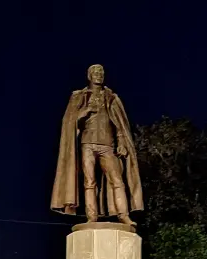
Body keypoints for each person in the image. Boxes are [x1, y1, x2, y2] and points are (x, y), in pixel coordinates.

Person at [50, 64, 143, 226]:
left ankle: (123, 215)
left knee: (117, 180)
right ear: (89, 76)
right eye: (95, 72)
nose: (99, 75)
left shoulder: (111, 97)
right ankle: (91, 217)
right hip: (87, 143)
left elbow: (119, 124)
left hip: (108, 145)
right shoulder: (79, 96)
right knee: (89, 181)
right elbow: (68, 122)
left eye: (101, 72)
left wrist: (121, 141)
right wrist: (83, 112)